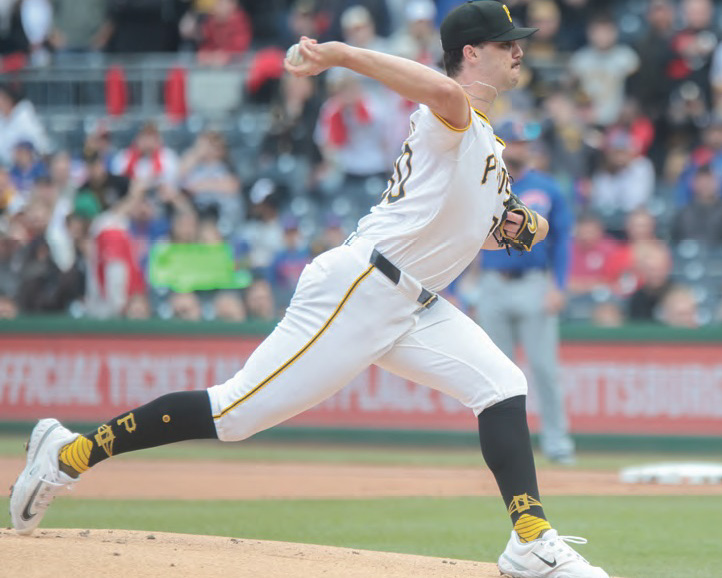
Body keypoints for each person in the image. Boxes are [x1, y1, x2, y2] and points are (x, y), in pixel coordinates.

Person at [8, 4, 609, 578]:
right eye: (507, 44)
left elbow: (502, 228)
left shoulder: (486, 146)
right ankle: (67, 455)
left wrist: (526, 224)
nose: (518, 52)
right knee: (235, 414)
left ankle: (531, 540)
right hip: (362, 286)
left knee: (502, 385)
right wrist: (341, 54)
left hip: (413, 303)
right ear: (471, 53)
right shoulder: (450, 112)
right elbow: (441, 92)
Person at [475, 119, 575, 466]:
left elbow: (562, 241)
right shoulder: (485, 184)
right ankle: (503, 449)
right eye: (513, 141)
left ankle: (557, 443)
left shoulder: (547, 187)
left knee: (545, 369)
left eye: (524, 142)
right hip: (492, 283)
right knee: (494, 374)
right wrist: (457, 288)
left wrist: (559, 285)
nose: (519, 147)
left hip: (534, 283)